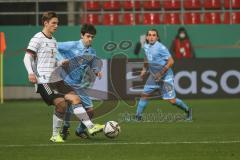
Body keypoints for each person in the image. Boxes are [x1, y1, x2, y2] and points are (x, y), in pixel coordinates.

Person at [23, 12, 104, 142]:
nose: (56, 26)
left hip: (57, 79)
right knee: (62, 105)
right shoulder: (37, 38)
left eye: (57, 23)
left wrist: (60, 62)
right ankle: (56, 135)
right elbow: (27, 57)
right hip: (44, 80)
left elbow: (53, 60)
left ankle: (90, 126)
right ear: (46, 23)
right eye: (54, 23)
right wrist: (30, 72)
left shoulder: (54, 41)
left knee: (75, 99)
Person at [56, 24, 103, 140]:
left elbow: (92, 63)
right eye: (88, 36)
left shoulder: (92, 51)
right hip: (65, 80)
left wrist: (96, 71)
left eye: (92, 37)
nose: (90, 39)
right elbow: (54, 47)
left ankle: (79, 130)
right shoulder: (72, 45)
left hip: (78, 83)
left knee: (90, 111)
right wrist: (61, 60)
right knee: (70, 104)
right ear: (81, 35)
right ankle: (65, 128)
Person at [135, 29, 192, 121]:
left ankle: (188, 110)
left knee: (172, 101)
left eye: (154, 35)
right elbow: (146, 57)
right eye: (149, 35)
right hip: (154, 76)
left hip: (166, 77)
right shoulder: (146, 46)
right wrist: (144, 69)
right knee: (144, 95)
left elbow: (171, 61)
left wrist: (161, 73)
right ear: (146, 37)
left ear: (157, 37)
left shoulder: (161, 48)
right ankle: (138, 117)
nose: (151, 37)